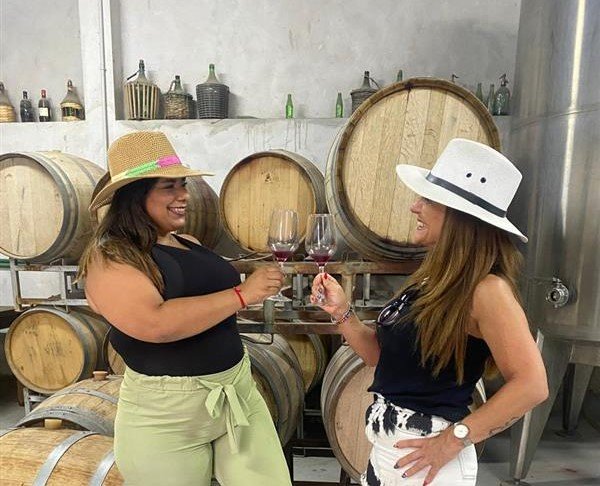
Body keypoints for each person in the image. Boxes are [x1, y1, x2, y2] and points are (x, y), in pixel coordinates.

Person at [311, 138, 548, 486]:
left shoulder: (487, 290)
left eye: (429, 200)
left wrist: (454, 439)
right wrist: (343, 312)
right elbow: (381, 358)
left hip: (429, 465)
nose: (415, 207)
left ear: (460, 218)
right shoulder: (434, 277)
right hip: (388, 456)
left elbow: (532, 385)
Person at [78, 131, 291, 486]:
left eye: (183, 185)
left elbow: (207, 296)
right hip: (165, 415)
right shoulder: (110, 257)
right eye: (169, 187)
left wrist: (257, 281)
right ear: (135, 196)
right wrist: (242, 294)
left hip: (235, 391)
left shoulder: (186, 241)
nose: (184, 196)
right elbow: (155, 324)